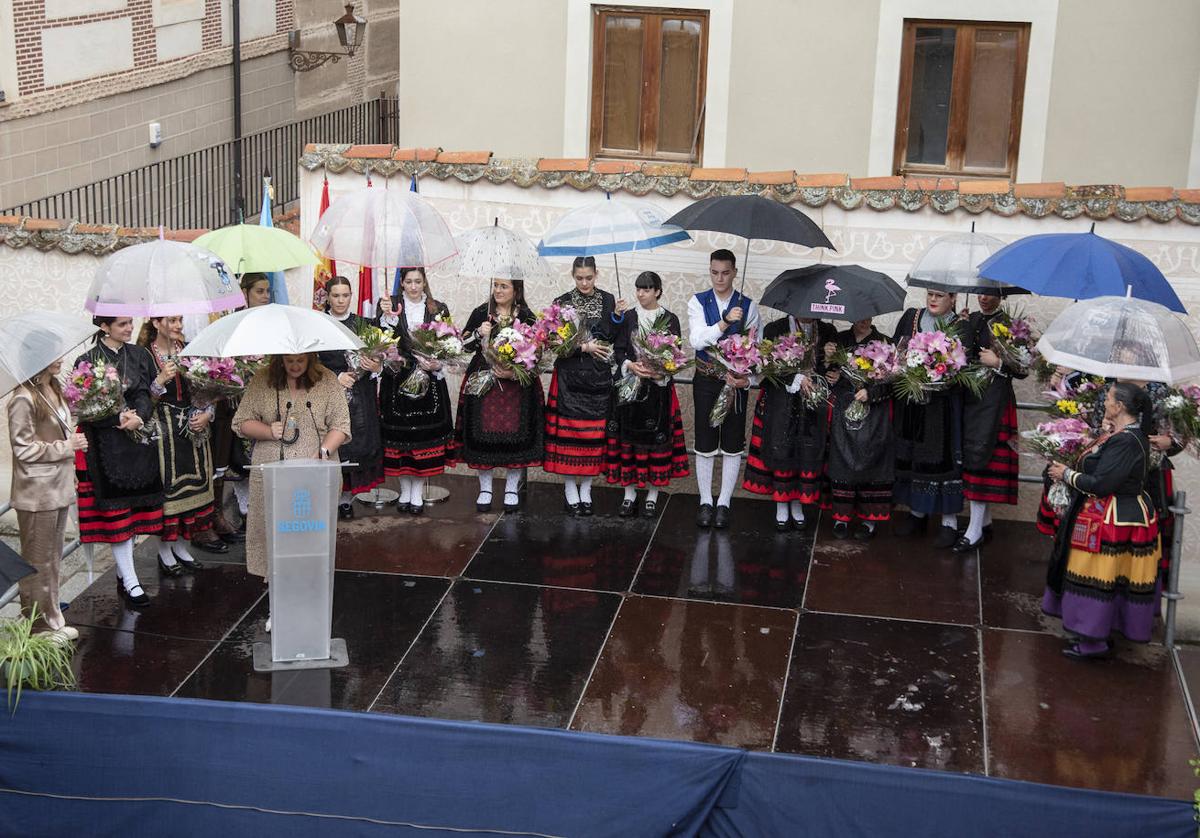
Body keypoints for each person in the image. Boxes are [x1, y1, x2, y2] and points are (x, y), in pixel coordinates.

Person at [1043, 382, 1160, 659]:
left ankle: (1094, 640)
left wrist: (1066, 474)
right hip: (1113, 516)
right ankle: (1096, 633)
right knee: (1110, 579)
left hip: (1113, 521)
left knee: (1100, 578)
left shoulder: (1126, 440)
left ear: (1119, 406)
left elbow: (1104, 483)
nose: (1105, 402)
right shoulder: (1122, 435)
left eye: (1108, 399)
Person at [232, 354, 350, 598]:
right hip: (272, 474)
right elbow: (241, 422)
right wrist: (267, 430)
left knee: (308, 533)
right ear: (279, 360)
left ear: (310, 359)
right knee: (276, 533)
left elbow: (341, 425)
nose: (295, 366)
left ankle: (310, 591)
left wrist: (324, 450)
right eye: (289, 361)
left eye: (300, 361)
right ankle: (279, 596)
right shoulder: (262, 379)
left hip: (315, 474)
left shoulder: (327, 380)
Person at [74, 317, 164, 607]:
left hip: (137, 442)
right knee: (117, 517)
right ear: (104, 327)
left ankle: (125, 574)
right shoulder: (86, 361)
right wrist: (116, 418)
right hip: (105, 445)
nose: (129, 328)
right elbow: (83, 408)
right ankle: (131, 579)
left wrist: (139, 414)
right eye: (122, 324)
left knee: (134, 514)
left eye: (129, 323)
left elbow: (146, 393)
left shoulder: (137, 354)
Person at [138, 315, 226, 576]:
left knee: (192, 492)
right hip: (163, 433)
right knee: (169, 495)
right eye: (172, 321)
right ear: (156, 323)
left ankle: (181, 547)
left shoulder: (190, 350)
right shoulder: (144, 356)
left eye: (180, 320)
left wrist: (208, 413)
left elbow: (210, 389)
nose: (178, 326)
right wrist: (161, 379)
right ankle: (165, 552)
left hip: (192, 429)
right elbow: (141, 399)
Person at [7, 357, 87, 640]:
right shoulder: (23, 398)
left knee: (52, 559)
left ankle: (52, 618)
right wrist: (66, 447)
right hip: (37, 493)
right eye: (53, 355)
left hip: (59, 487)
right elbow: (23, 449)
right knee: (38, 561)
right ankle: (38, 626)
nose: (60, 360)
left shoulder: (53, 388)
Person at [454, 278, 543, 513]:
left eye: (504, 286)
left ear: (516, 290)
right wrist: (477, 332)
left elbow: (537, 352)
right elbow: (462, 345)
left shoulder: (526, 315)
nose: (498, 291)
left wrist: (514, 370)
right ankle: (485, 488)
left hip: (515, 386)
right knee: (481, 436)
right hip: (484, 381)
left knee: (516, 437)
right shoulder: (481, 312)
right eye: (496, 286)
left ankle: (511, 488)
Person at [687, 249, 762, 529]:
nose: (719, 278)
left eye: (725, 272)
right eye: (714, 272)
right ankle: (705, 501)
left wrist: (748, 379)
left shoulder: (749, 306)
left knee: (732, 444)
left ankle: (724, 503)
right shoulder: (698, 302)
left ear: (734, 272)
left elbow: (758, 349)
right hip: (706, 379)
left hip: (737, 382)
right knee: (705, 441)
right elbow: (697, 340)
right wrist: (725, 321)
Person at [605, 271, 689, 516]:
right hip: (630, 387)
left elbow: (675, 353)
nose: (641, 294)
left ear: (658, 291)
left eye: (646, 289)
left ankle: (652, 495)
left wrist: (658, 370)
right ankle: (629, 494)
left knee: (656, 442)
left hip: (657, 390)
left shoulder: (669, 319)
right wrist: (630, 365)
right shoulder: (628, 317)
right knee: (628, 441)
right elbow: (618, 349)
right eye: (638, 289)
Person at [743, 315, 836, 532]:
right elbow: (766, 371)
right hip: (782, 402)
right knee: (783, 451)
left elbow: (830, 371)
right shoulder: (776, 329)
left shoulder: (828, 331)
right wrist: (795, 378)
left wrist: (832, 364)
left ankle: (798, 504)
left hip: (813, 403)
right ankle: (782, 505)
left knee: (806, 452)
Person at [544, 256, 622, 515]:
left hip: (598, 376)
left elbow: (612, 336)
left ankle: (586, 490)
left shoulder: (609, 299)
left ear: (596, 274)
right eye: (580, 278)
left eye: (589, 277)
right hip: (569, 375)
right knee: (568, 435)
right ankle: (569, 490)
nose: (585, 282)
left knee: (593, 436)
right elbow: (554, 342)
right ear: (573, 275)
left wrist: (618, 317)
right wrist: (582, 346)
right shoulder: (561, 301)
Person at [376, 267, 455, 514]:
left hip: (429, 382)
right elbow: (381, 339)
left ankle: (417, 492)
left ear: (424, 282)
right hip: (397, 380)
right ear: (401, 283)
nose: (413, 286)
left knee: (421, 439)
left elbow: (449, 343)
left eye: (418, 281)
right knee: (401, 438)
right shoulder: (389, 306)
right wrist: (386, 317)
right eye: (408, 281)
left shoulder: (437, 308)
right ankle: (405, 490)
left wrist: (436, 363)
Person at [892, 289, 963, 547]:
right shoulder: (912, 317)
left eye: (940, 295)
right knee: (913, 455)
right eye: (930, 294)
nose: (933, 299)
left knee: (940, 460)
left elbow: (964, 366)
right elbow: (896, 351)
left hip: (941, 405)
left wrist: (939, 375)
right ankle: (916, 513)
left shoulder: (960, 325)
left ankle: (948, 521)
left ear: (953, 298)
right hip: (911, 403)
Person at [954, 293, 1025, 553]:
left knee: (983, 459)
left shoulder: (1010, 323)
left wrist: (999, 363)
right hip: (970, 401)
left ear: (1002, 295)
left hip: (995, 404)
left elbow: (1023, 368)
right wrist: (960, 326)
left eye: (991, 293)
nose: (984, 298)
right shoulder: (969, 318)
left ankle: (974, 531)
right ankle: (983, 522)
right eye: (980, 292)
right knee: (972, 456)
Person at [209, 272, 273, 544]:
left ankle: (255, 514)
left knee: (257, 458)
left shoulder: (270, 323)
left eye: (268, 290)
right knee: (232, 460)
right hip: (233, 405)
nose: (266, 296)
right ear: (245, 293)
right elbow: (222, 363)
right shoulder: (231, 323)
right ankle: (235, 513)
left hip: (263, 403)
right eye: (260, 291)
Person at [318, 276, 385, 518]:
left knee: (357, 446)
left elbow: (382, 358)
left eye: (345, 295)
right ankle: (329, 498)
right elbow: (312, 363)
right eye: (335, 295)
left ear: (351, 296)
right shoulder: (320, 324)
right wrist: (336, 377)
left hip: (362, 396)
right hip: (330, 397)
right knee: (334, 447)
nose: (340, 300)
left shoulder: (365, 325)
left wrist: (376, 367)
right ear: (327, 296)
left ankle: (346, 500)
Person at [825, 317, 894, 539]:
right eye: (858, 315)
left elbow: (892, 383)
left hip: (874, 414)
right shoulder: (839, 339)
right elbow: (828, 374)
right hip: (843, 411)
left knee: (871, 463)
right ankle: (841, 518)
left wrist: (871, 393)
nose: (863, 320)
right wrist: (828, 365)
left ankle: (869, 520)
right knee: (842, 461)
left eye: (867, 316)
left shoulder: (884, 342)